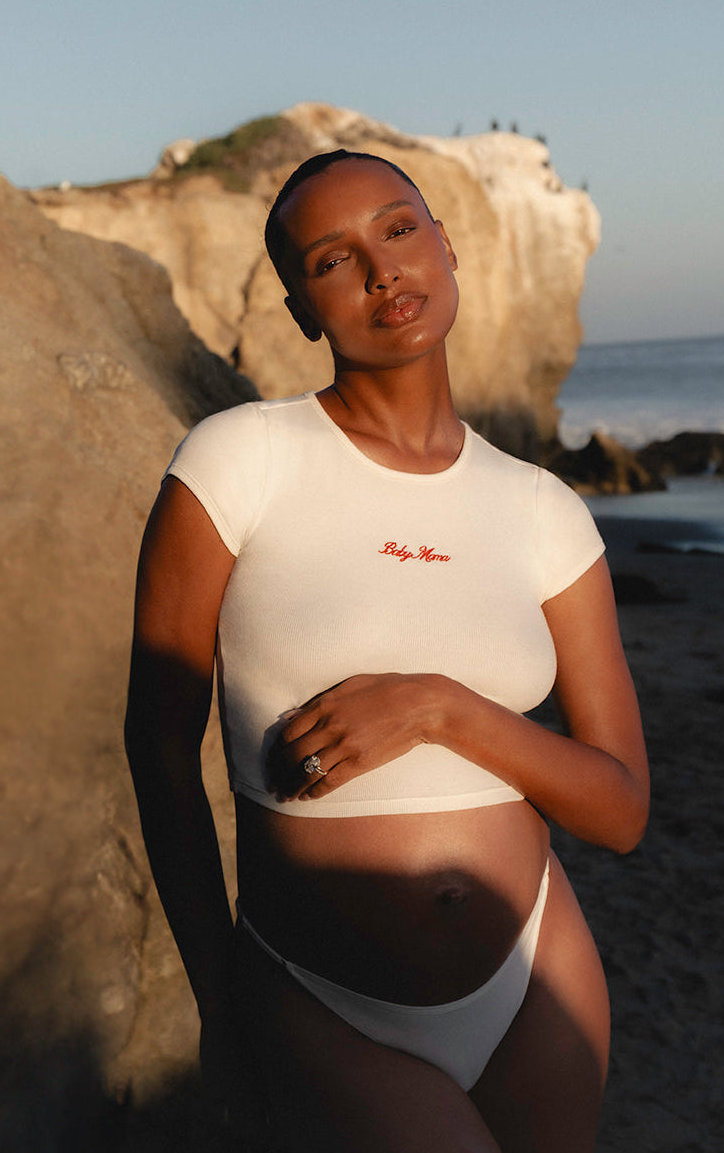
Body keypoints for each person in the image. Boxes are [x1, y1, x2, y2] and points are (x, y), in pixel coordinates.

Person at [124, 149, 649, 1153]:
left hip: (540, 975)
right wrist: (218, 1005)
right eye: (333, 259)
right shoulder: (239, 462)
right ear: (302, 308)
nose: (380, 271)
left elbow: (620, 809)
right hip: (327, 996)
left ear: (445, 245)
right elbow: (158, 753)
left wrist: (441, 708)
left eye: (399, 230)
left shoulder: (546, 511)